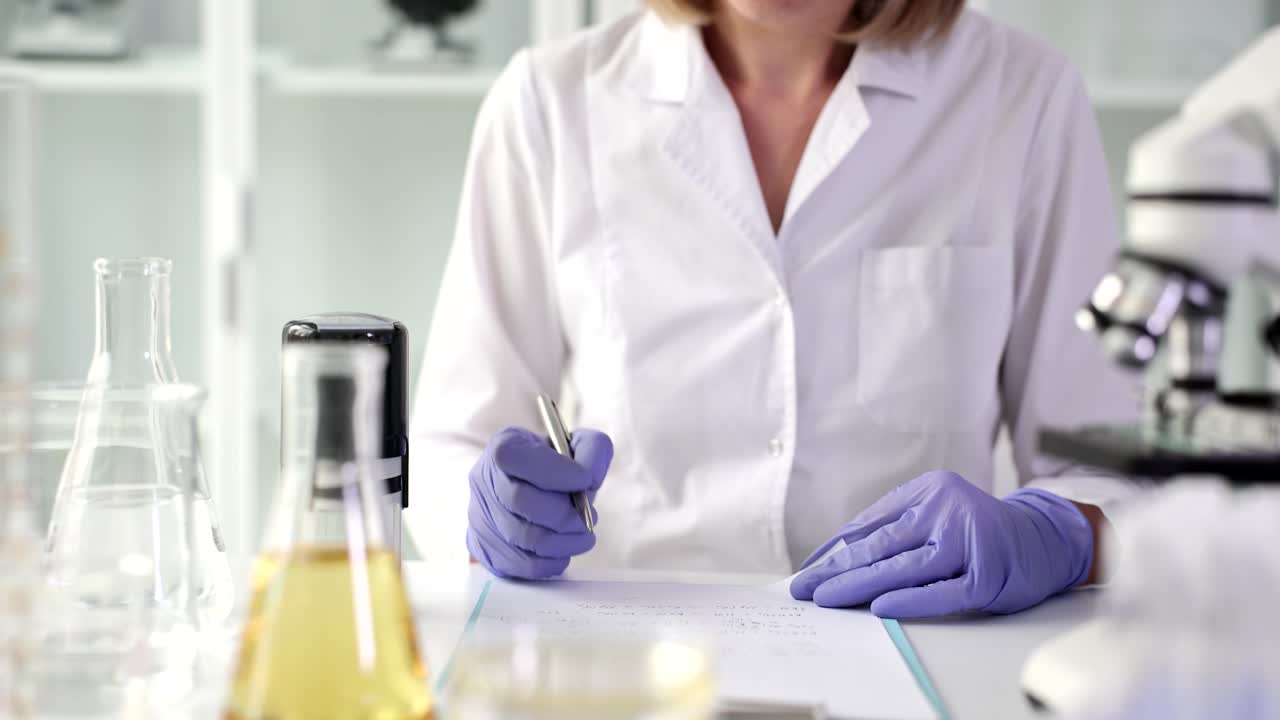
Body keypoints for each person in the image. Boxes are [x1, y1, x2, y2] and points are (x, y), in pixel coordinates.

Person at [408, 0, 1141, 618]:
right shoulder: (552, 101)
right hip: (629, 661)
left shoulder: (1023, 96)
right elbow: (453, 440)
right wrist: (488, 518)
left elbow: (1108, 463)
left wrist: (1058, 532)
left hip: (917, 654)